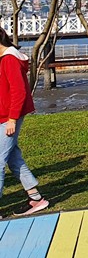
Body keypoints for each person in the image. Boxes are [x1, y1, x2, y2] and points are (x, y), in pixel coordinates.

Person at [0, 28, 49, 216]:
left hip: (9, 118)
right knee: (13, 158)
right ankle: (36, 198)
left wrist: (12, 119)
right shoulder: (5, 59)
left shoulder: (10, 59)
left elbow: (19, 92)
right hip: (4, 116)